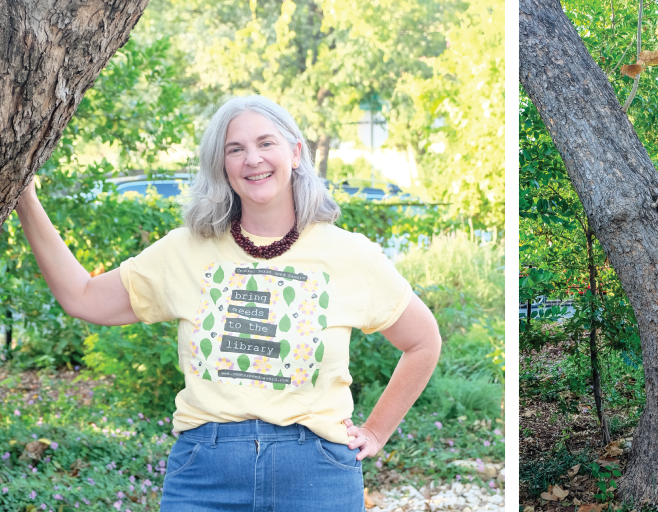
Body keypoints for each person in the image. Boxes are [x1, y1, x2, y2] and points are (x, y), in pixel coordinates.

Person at [15, 95, 442, 510]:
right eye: (235, 149)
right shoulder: (185, 251)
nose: (251, 159)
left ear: (295, 153)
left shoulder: (351, 254)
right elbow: (82, 298)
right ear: (222, 167)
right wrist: (23, 196)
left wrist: (377, 431)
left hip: (316, 476)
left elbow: (423, 341)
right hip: (205, 474)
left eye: (265, 143)